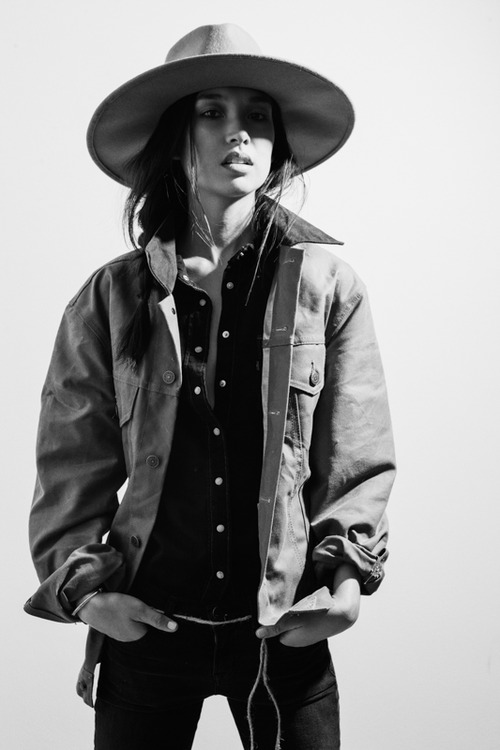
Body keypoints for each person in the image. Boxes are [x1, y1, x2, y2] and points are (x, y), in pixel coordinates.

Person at [25, 23, 396, 750]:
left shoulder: (329, 287)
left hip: (283, 632)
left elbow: (357, 458)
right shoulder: (111, 297)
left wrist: (347, 586)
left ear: (278, 143)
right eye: (211, 112)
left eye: (257, 115)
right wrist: (89, 596)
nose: (239, 132)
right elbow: (71, 463)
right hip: (149, 630)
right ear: (175, 139)